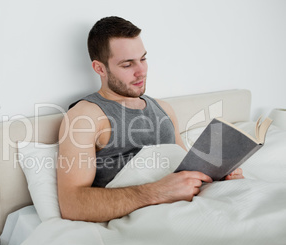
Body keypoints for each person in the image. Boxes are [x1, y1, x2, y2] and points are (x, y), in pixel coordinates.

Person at [57, 16, 243, 222]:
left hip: (192, 205)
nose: (141, 71)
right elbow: (71, 205)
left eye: (143, 59)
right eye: (127, 64)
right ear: (100, 68)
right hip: (150, 217)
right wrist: (156, 192)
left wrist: (218, 175)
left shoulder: (163, 109)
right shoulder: (85, 117)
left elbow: (184, 170)